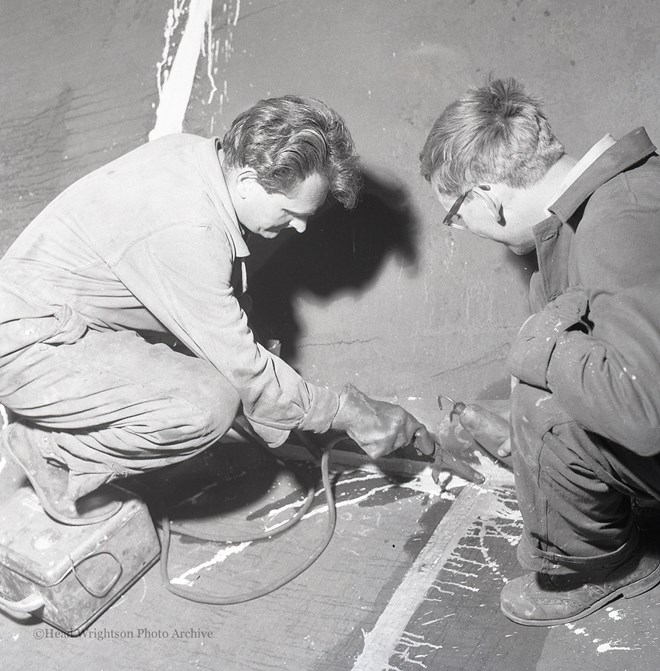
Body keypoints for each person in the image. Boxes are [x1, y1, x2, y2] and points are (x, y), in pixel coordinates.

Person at [0, 94, 435, 526]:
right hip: (27, 345)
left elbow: (220, 305)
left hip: (60, 315)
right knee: (204, 406)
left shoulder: (199, 157)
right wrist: (346, 412)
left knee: (230, 368)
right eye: (290, 212)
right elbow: (243, 371)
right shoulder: (190, 229)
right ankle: (47, 448)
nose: (301, 226)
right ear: (248, 182)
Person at [419, 77, 660, 626]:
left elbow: (648, 412)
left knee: (541, 402)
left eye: (455, 216)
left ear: (484, 197)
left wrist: (541, 351)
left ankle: (597, 567)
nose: (462, 228)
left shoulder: (617, 223)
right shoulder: (616, 200)